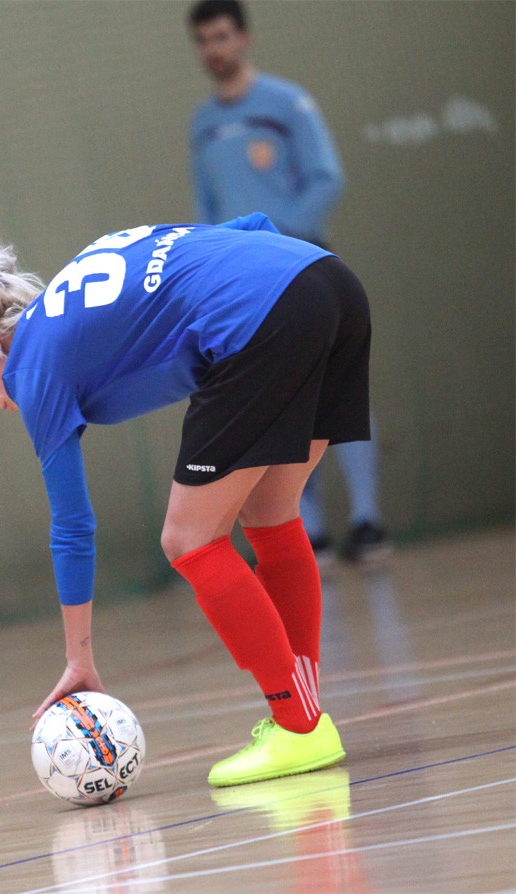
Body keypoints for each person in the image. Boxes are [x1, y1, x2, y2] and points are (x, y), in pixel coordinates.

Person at [0, 214, 366, 786]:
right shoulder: (79, 283)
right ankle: (304, 719)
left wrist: (79, 658)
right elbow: (253, 225)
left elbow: (73, 526)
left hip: (261, 318)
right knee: (270, 515)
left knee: (189, 540)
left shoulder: (32, 364)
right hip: (327, 283)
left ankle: (298, 727)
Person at [187, 0, 390, 565]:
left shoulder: (287, 103)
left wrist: (281, 239)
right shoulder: (202, 125)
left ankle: (368, 520)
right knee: (279, 405)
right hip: (244, 287)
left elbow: (326, 177)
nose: (213, 49)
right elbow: (207, 207)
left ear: (244, 38)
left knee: (338, 392)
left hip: (301, 269)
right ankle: (310, 531)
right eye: (204, 40)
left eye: (222, 36)